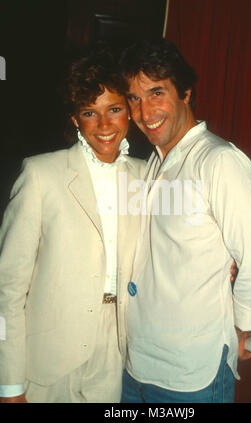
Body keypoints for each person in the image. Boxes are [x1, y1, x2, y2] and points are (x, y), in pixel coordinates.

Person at [119, 38, 251, 403]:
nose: (145, 112)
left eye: (156, 93)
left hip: (190, 377)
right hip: (134, 366)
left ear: (186, 93)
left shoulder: (218, 161)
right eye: (134, 98)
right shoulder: (153, 164)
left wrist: (245, 326)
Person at [0, 45, 145, 403]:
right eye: (89, 113)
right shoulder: (40, 174)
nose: (105, 125)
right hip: (47, 361)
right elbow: (8, 289)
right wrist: (10, 384)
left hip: (117, 350)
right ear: (74, 119)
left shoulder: (148, 178)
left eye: (114, 109)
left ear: (128, 111)